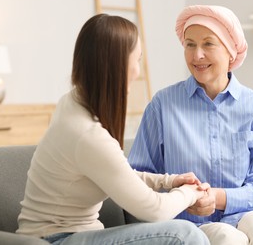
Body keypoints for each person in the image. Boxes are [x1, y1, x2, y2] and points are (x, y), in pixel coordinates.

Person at [16, 13, 211, 245]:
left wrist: (169, 182)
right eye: (137, 60)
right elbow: (155, 210)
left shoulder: (72, 104)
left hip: (73, 235)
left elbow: (116, 172)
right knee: (185, 235)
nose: (138, 71)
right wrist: (190, 193)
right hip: (55, 239)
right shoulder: (87, 134)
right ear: (117, 65)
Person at [128, 5, 253, 245]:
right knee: (227, 237)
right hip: (185, 225)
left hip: (244, 214)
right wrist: (184, 198)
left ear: (231, 51)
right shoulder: (163, 105)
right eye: (190, 44)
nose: (197, 55)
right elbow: (140, 179)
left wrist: (218, 197)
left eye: (208, 44)